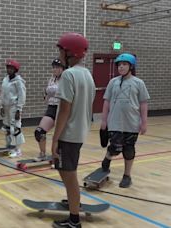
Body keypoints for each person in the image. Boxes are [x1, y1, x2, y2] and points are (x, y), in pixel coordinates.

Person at [51, 32, 95, 228]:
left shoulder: (68, 75)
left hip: (68, 135)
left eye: (61, 50)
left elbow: (64, 111)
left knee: (70, 178)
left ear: (71, 52)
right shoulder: (87, 74)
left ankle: (74, 221)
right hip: (79, 133)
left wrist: (54, 139)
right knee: (69, 175)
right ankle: (73, 205)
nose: (59, 55)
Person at [100, 53, 149, 188]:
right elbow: (107, 101)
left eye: (124, 64)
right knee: (115, 148)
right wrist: (104, 120)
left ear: (131, 66)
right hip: (115, 122)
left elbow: (143, 103)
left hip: (132, 123)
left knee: (129, 150)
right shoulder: (113, 82)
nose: (121, 67)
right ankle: (107, 159)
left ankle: (127, 175)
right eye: (119, 65)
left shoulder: (139, 83)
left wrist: (144, 122)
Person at [34, 58, 66, 160]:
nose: (54, 70)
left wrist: (51, 91)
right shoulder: (52, 79)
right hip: (52, 107)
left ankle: (58, 156)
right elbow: (48, 92)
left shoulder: (66, 79)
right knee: (39, 132)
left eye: (57, 68)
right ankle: (42, 153)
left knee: (59, 135)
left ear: (62, 69)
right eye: (53, 67)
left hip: (62, 108)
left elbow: (60, 92)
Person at [0, 59, 26, 158]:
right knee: (7, 127)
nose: (9, 70)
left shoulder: (19, 81)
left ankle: (18, 149)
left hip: (14, 106)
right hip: (6, 106)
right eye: (8, 68)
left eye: (11, 68)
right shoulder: (5, 79)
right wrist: (1, 106)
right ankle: (10, 146)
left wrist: (19, 109)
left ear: (15, 69)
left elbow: (22, 95)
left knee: (15, 128)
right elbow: (2, 93)